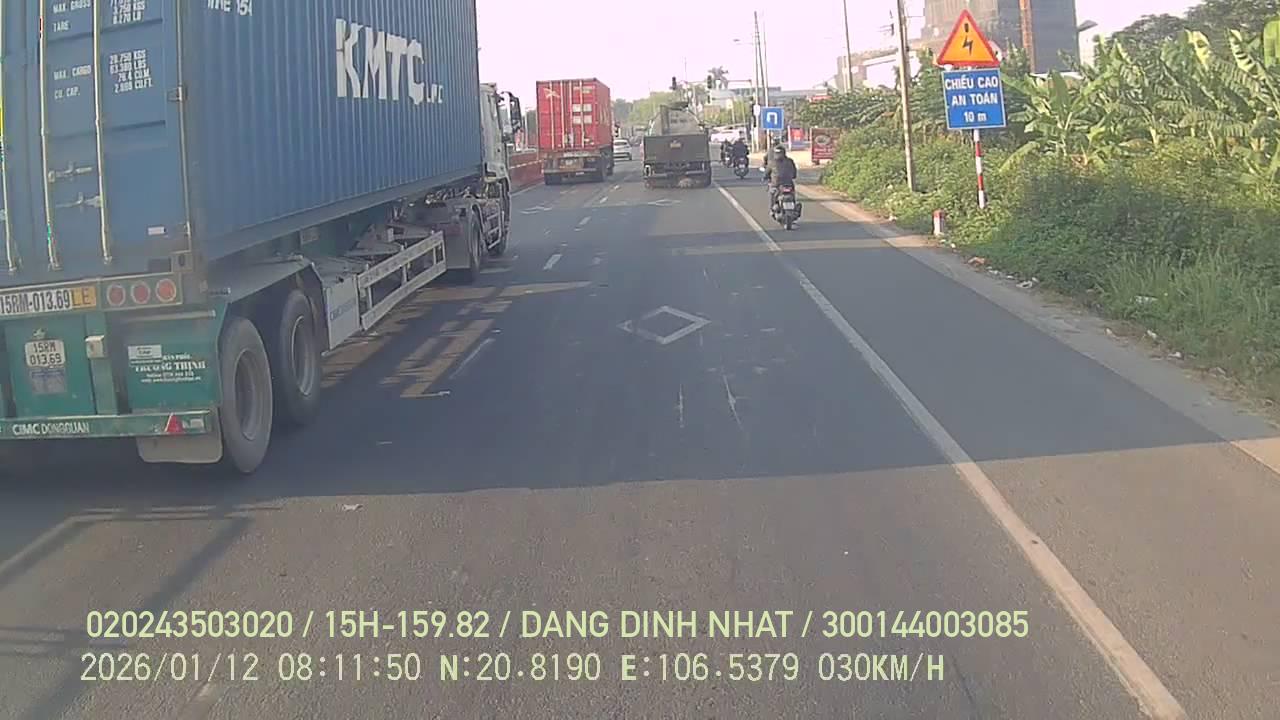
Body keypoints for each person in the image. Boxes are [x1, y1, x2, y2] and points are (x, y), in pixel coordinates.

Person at [764, 143, 798, 211]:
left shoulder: (772, 162)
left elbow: (767, 173)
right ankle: (793, 206)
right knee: (792, 193)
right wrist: (793, 176)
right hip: (789, 183)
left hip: (776, 184)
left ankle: (772, 209)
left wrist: (765, 177)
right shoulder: (790, 161)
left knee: (772, 193)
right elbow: (794, 172)